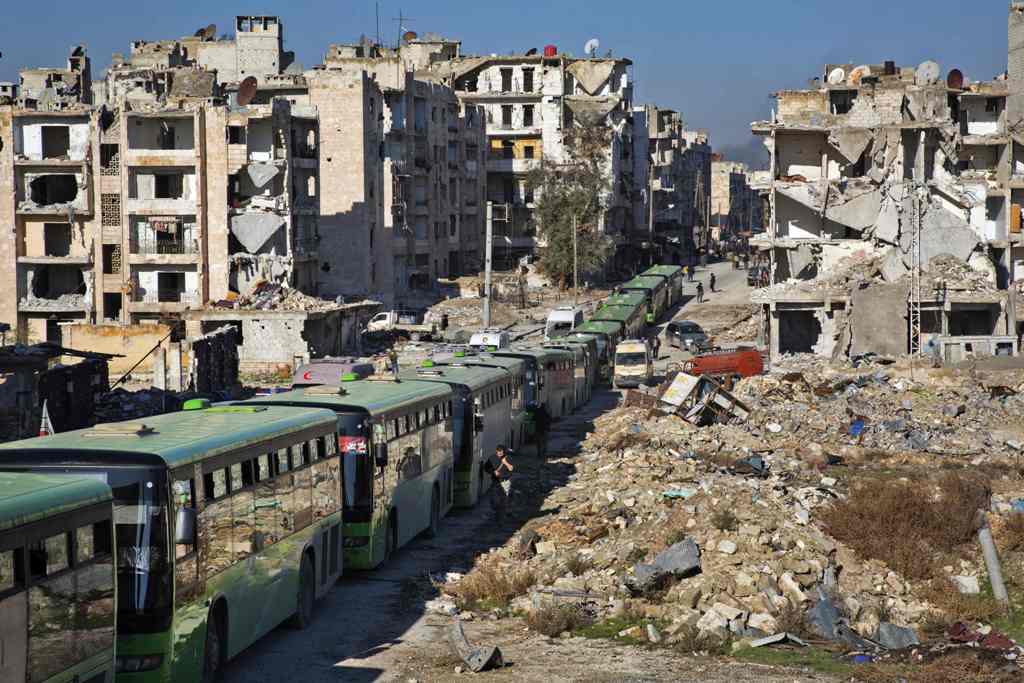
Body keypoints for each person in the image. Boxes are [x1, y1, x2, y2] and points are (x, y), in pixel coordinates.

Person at [488, 444, 514, 523]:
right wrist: (493, 471)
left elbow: (511, 468)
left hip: (505, 482)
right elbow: (486, 468)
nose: (500, 453)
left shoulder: (508, 458)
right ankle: (499, 514)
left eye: (501, 452)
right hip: (495, 482)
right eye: (498, 452)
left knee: (504, 500)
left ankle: (501, 519)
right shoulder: (492, 458)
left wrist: (505, 462)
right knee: (494, 500)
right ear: (496, 451)